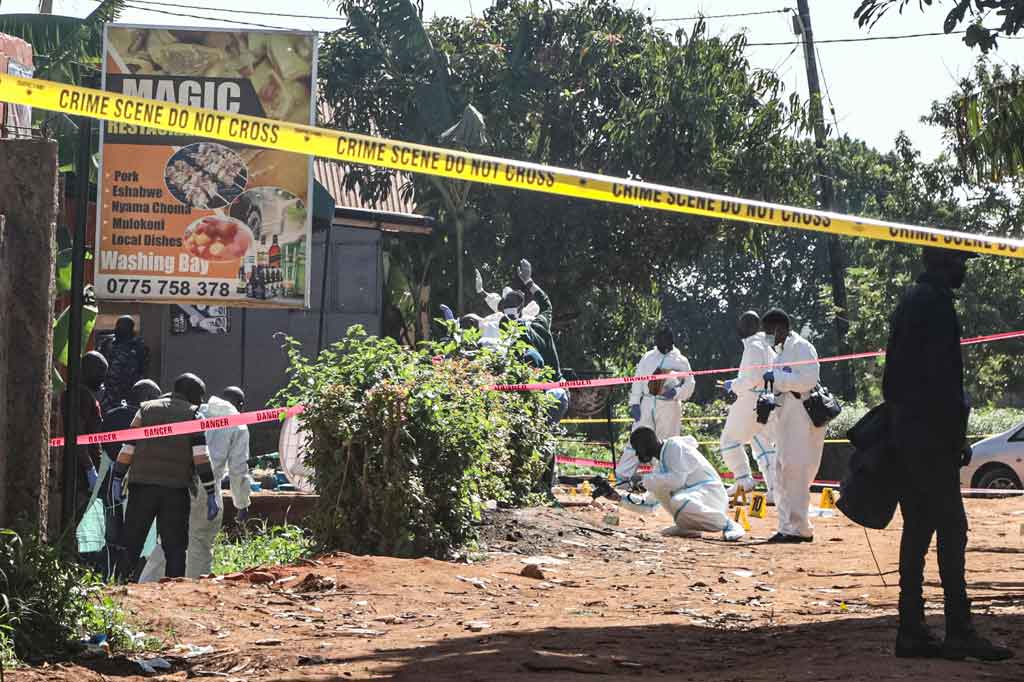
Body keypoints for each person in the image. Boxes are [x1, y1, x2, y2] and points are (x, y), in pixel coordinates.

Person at [883, 247, 1011, 661]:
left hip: (908, 432)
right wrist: (955, 435)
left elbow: (894, 379)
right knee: (952, 528)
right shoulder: (935, 304)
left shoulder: (909, 301)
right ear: (942, 262)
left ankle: (911, 629)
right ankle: (959, 629)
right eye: (960, 262)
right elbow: (943, 379)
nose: (964, 269)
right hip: (930, 435)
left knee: (917, 529)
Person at [140, 386, 256, 580]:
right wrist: (242, 503)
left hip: (179, 482)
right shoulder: (239, 423)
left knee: (167, 542)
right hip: (207, 490)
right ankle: (194, 591)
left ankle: (145, 587)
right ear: (241, 406)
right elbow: (239, 470)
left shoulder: (196, 411)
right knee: (200, 545)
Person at [111, 373, 219, 581]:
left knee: (131, 542)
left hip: (141, 486)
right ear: (191, 394)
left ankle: (118, 585)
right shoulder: (194, 416)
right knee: (175, 547)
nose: (202, 401)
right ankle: (173, 590)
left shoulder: (146, 410)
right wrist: (211, 491)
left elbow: (128, 447)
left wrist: (117, 477)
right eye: (200, 396)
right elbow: (201, 458)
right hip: (175, 490)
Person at [760, 309, 825, 544]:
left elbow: (808, 379)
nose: (767, 337)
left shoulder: (801, 347)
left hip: (801, 414)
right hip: (785, 416)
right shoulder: (780, 353)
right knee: (781, 472)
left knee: (795, 471)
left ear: (779, 328)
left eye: (769, 332)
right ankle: (787, 526)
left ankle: (800, 528)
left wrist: (778, 379)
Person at [615, 427, 744, 541]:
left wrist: (644, 479)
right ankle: (688, 527)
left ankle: (727, 524)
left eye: (638, 449)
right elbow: (649, 504)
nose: (637, 454)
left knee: (678, 500)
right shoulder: (660, 467)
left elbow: (677, 480)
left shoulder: (674, 447)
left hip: (711, 495)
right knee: (663, 489)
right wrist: (616, 496)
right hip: (697, 497)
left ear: (647, 444)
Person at [615, 328, 696, 483]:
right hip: (646, 403)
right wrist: (634, 403)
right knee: (636, 438)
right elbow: (638, 379)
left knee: (666, 443)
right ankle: (622, 478)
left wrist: (676, 392)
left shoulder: (681, 361)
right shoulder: (648, 357)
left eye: (663, 340)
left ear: (671, 341)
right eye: (657, 340)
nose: (659, 344)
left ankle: (662, 479)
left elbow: (690, 384)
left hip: (668, 406)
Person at [720, 311, 778, 500]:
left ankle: (743, 480)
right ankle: (775, 490)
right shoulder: (766, 345)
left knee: (729, 441)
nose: (740, 327)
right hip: (767, 400)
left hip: (751, 400)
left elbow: (751, 378)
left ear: (749, 327)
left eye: (743, 324)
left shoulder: (753, 346)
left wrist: (734, 385)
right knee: (763, 445)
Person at [101, 379, 162, 557]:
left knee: (112, 529)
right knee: (136, 532)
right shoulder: (148, 419)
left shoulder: (111, 415)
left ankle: (110, 564)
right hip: (138, 480)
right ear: (148, 397)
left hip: (110, 477)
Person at [66, 351, 109, 525]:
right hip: (80, 473)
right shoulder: (81, 396)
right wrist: (89, 468)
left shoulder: (86, 394)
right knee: (78, 522)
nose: (102, 378)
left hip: (85, 470)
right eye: (100, 373)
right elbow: (78, 435)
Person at [98, 316, 150, 413]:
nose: (120, 329)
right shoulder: (107, 344)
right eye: (119, 326)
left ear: (131, 329)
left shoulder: (139, 347)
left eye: (124, 327)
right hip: (107, 394)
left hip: (129, 394)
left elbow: (143, 371)